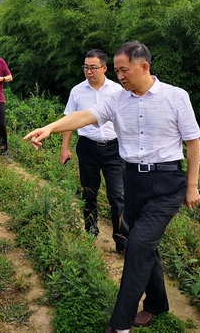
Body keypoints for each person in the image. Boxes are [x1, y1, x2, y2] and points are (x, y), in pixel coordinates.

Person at [24, 41, 200, 333]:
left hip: (167, 182)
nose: (120, 76)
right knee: (144, 243)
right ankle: (157, 303)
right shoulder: (118, 100)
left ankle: (119, 325)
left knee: (138, 244)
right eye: (117, 70)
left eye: (124, 70)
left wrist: (191, 186)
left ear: (143, 67)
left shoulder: (175, 96)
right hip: (133, 179)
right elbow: (85, 117)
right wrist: (52, 128)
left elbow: (193, 141)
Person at [61, 49, 128, 253]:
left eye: (93, 67)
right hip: (88, 147)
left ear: (104, 68)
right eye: (85, 67)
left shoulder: (118, 90)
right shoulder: (77, 91)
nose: (88, 71)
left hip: (114, 149)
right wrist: (65, 148)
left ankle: (122, 239)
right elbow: (69, 121)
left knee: (117, 195)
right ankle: (91, 234)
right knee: (89, 192)